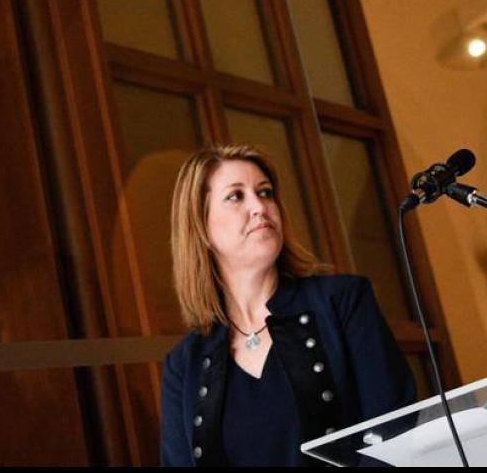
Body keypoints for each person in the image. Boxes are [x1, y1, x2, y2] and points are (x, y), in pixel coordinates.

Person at [160, 144, 416, 466]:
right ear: (201, 227)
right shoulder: (184, 365)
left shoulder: (343, 301)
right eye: (236, 196)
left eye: (265, 193)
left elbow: (394, 428)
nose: (259, 207)